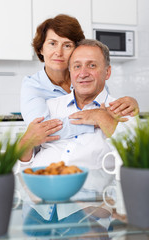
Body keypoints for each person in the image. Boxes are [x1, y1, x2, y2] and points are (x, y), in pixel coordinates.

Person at [19, 39, 136, 174]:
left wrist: (102, 118)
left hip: (92, 191)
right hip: (39, 185)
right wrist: (26, 142)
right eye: (77, 66)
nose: (83, 73)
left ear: (107, 72)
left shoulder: (123, 110)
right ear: (70, 72)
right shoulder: (50, 107)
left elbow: (135, 161)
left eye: (92, 65)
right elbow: (22, 163)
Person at [20, 14, 139, 142]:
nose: (59, 52)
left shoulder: (87, 78)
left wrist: (130, 104)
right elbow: (41, 132)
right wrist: (97, 118)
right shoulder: (33, 86)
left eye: (67, 45)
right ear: (41, 49)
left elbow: (107, 107)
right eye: (52, 43)